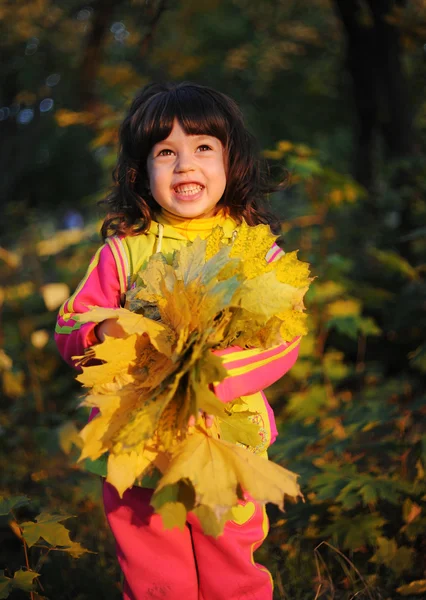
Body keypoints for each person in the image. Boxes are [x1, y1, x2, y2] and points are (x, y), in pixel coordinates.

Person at [55, 82, 301, 600]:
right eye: (166, 153)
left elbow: (282, 339)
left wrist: (205, 383)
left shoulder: (255, 250)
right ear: (141, 173)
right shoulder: (124, 253)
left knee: (231, 569)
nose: (185, 164)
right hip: (138, 449)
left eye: (203, 148)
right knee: (155, 579)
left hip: (224, 443)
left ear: (232, 161)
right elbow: (68, 325)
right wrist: (101, 332)